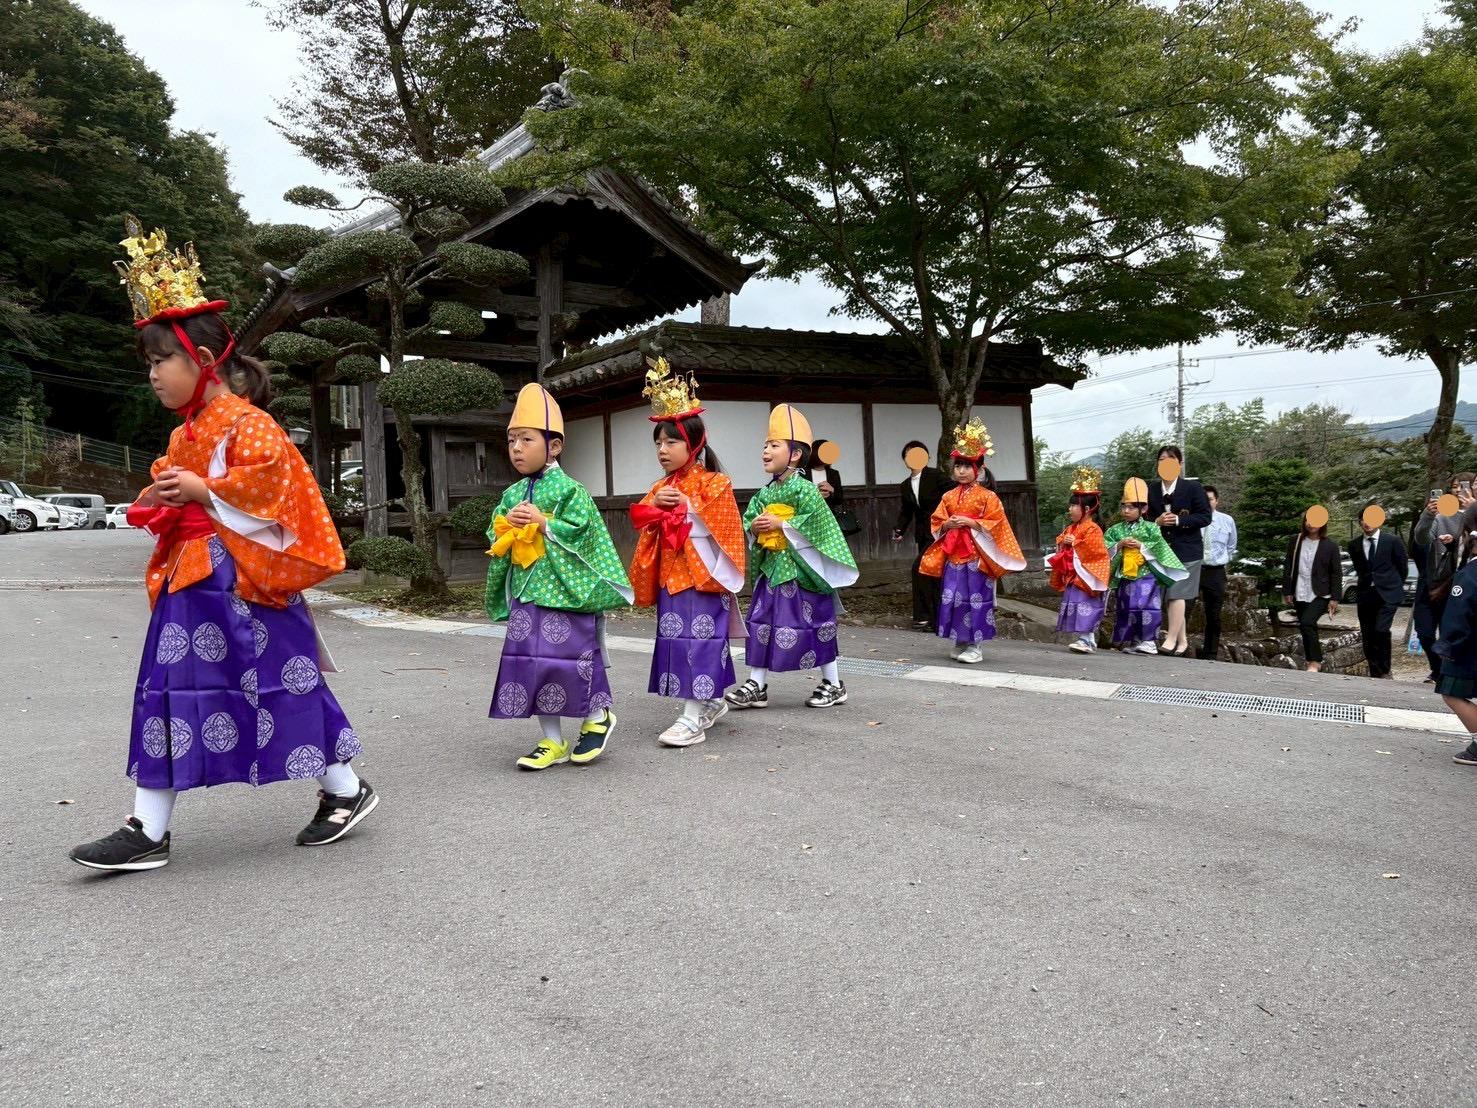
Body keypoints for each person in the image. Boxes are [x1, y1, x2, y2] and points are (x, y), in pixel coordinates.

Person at [69, 218, 376, 873]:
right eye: (148, 362)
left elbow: (277, 492)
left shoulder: (248, 424)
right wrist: (167, 498)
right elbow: (194, 495)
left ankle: (344, 787)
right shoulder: (188, 434)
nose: (152, 374)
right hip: (196, 579)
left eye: (161, 360)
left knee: (284, 685)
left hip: (246, 580)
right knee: (171, 689)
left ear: (202, 360)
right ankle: (148, 824)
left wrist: (206, 493)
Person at [485, 382, 633, 770]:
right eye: (512, 440)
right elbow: (494, 532)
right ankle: (552, 739)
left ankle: (596, 716)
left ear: (554, 446)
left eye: (526, 439)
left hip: (567, 590)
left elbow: (582, 532)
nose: (516, 447)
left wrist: (543, 522)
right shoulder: (512, 492)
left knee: (573, 658)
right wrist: (507, 526)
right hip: (528, 589)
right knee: (531, 663)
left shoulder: (571, 490)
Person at [628, 358, 746, 748]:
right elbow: (644, 522)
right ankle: (710, 702)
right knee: (679, 642)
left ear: (695, 443)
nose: (663, 449)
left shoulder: (716, 483)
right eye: (658, 442)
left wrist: (684, 508)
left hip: (704, 577)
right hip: (671, 579)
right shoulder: (659, 486)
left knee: (701, 642)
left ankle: (691, 717)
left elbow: (726, 530)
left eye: (671, 441)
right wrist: (659, 509)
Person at [726, 404, 859, 710]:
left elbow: (818, 523)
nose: (765, 451)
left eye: (773, 445)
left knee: (819, 624)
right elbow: (749, 520)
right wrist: (755, 525)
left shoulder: (806, 491)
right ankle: (756, 685)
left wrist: (783, 524)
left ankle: (834, 684)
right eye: (765, 445)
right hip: (773, 570)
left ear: (795, 454)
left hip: (803, 571)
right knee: (760, 624)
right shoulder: (764, 493)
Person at [918, 418, 1026, 664]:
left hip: (977, 557)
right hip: (954, 557)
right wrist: (947, 524)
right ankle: (959, 641)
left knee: (975, 600)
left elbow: (997, 523)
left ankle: (975, 645)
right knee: (954, 599)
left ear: (979, 468)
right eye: (958, 466)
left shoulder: (988, 497)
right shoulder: (948, 496)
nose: (962, 471)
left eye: (967, 466)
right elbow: (936, 521)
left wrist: (973, 523)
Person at [1104, 478, 1187, 655]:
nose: (1126, 511)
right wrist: (1119, 545)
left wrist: (1141, 546)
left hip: (1145, 575)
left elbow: (1159, 546)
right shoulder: (1115, 530)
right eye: (1124, 507)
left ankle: (1149, 641)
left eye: (1132, 507)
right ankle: (1135, 641)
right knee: (1126, 606)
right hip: (1125, 575)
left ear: (1144, 509)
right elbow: (1105, 547)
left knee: (1147, 606)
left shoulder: (1151, 528)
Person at [1147, 445, 1213, 657]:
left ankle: (1170, 639)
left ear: (1180, 464)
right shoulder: (1151, 490)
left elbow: (1205, 517)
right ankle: (1183, 641)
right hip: (1161, 551)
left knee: (1177, 594)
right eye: (1162, 460)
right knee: (1172, 596)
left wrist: (1179, 520)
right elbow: (1143, 520)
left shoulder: (1193, 488)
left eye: (1171, 460)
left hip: (1187, 550)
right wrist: (1156, 521)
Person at [1413, 473, 1475, 679]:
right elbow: (1422, 539)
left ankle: (1451, 673)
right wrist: (1427, 515)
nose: (1459, 490)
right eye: (1455, 487)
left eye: (1465, 486)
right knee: (1426, 632)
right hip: (1438, 582)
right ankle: (1439, 670)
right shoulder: (1443, 516)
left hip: (1466, 583)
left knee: (1455, 633)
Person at [1046, 467, 1110, 654]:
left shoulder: (1093, 529)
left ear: (1087, 509)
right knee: (1077, 605)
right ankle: (1086, 638)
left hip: (1086, 577)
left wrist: (1076, 543)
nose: (1070, 509)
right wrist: (1064, 541)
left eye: (1074, 506)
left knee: (1086, 606)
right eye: (1071, 505)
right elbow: (1060, 541)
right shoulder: (1072, 528)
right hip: (1074, 576)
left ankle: (1086, 639)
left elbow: (1095, 551)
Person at [1348, 504, 1408, 679]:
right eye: (1363, 519)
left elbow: (1402, 567)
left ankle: (1385, 670)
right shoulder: (1354, 544)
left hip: (1389, 594)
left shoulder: (1392, 541)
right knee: (1367, 635)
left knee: (1381, 630)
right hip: (1366, 595)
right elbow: (1360, 569)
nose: (1367, 523)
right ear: (1360, 522)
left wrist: (1394, 585)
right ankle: (1374, 671)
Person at [1281, 510, 1341, 673]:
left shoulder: (1330, 546)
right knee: (1306, 625)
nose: (1311, 524)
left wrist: (1335, 597)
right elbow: (1288, 567)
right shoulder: (1296, 541)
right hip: (1299, 589)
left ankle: (1315, 661)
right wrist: (1287, 590)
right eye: (1308, 520)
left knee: (1307, 622)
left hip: (1321, 593)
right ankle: (1311, 660)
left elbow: (1336, 573)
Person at [892, 441, 944, 628]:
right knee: (929, 573)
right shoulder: (905, 485)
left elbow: (952, 496)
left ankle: (927, 617)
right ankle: (931, 618)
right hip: (923, 534)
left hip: (941, 532)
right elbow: (906, 511)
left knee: (920, 568)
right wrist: (899, 530)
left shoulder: (936, 476)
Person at [1434, 553, 1477, 765]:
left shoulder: (1471, 573)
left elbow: (1459, 614)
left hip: (1468, 647)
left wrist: (1448, 645)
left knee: (1451, 693)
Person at [1199, 485, 1238, 660]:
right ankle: (1180, 646)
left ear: (1217, 501)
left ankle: (1211, 652)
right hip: (1194, 569)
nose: (1207, 503)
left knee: (1214, 614)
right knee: (1184, 608)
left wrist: (1223, 559)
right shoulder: (1193, 519)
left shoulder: (1227, 520)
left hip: (1215, 571)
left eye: (1211, 500)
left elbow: (1232, 545)